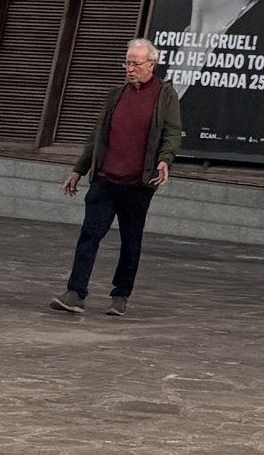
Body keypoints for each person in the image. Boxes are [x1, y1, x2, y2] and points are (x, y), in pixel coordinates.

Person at [51, 39, 181, 317]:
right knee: (89, 235)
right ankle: (75, 293)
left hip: (137, 183)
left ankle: (121, 295)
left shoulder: (165, 95)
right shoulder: (117, 94)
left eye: (135, 63)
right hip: (105, 180)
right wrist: (79, 169)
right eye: (127, 62)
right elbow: (97, 136)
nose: (129, 69)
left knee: (130, 241)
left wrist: (164, 159)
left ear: (151, 64)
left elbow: (172, 131)